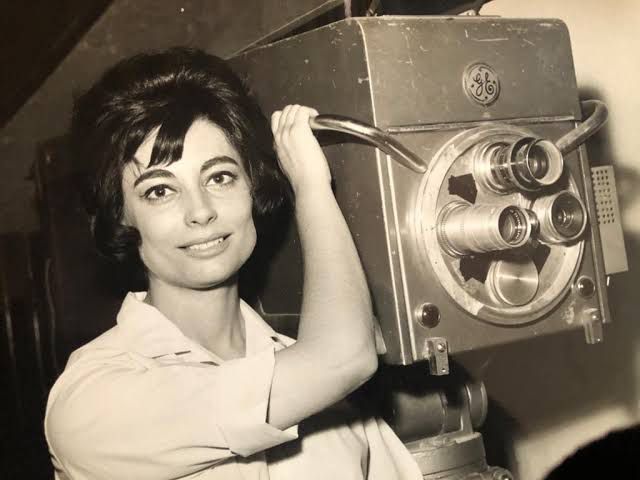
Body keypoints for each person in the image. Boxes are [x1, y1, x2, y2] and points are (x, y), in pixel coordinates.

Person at [44, 47, 422, 480]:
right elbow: (343, 359)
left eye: (220, 177)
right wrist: (311, 185)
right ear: (120, 217)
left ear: (252, 187)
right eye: (159, 191)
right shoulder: (92, 398)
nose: (200, 211)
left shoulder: (332, 398)